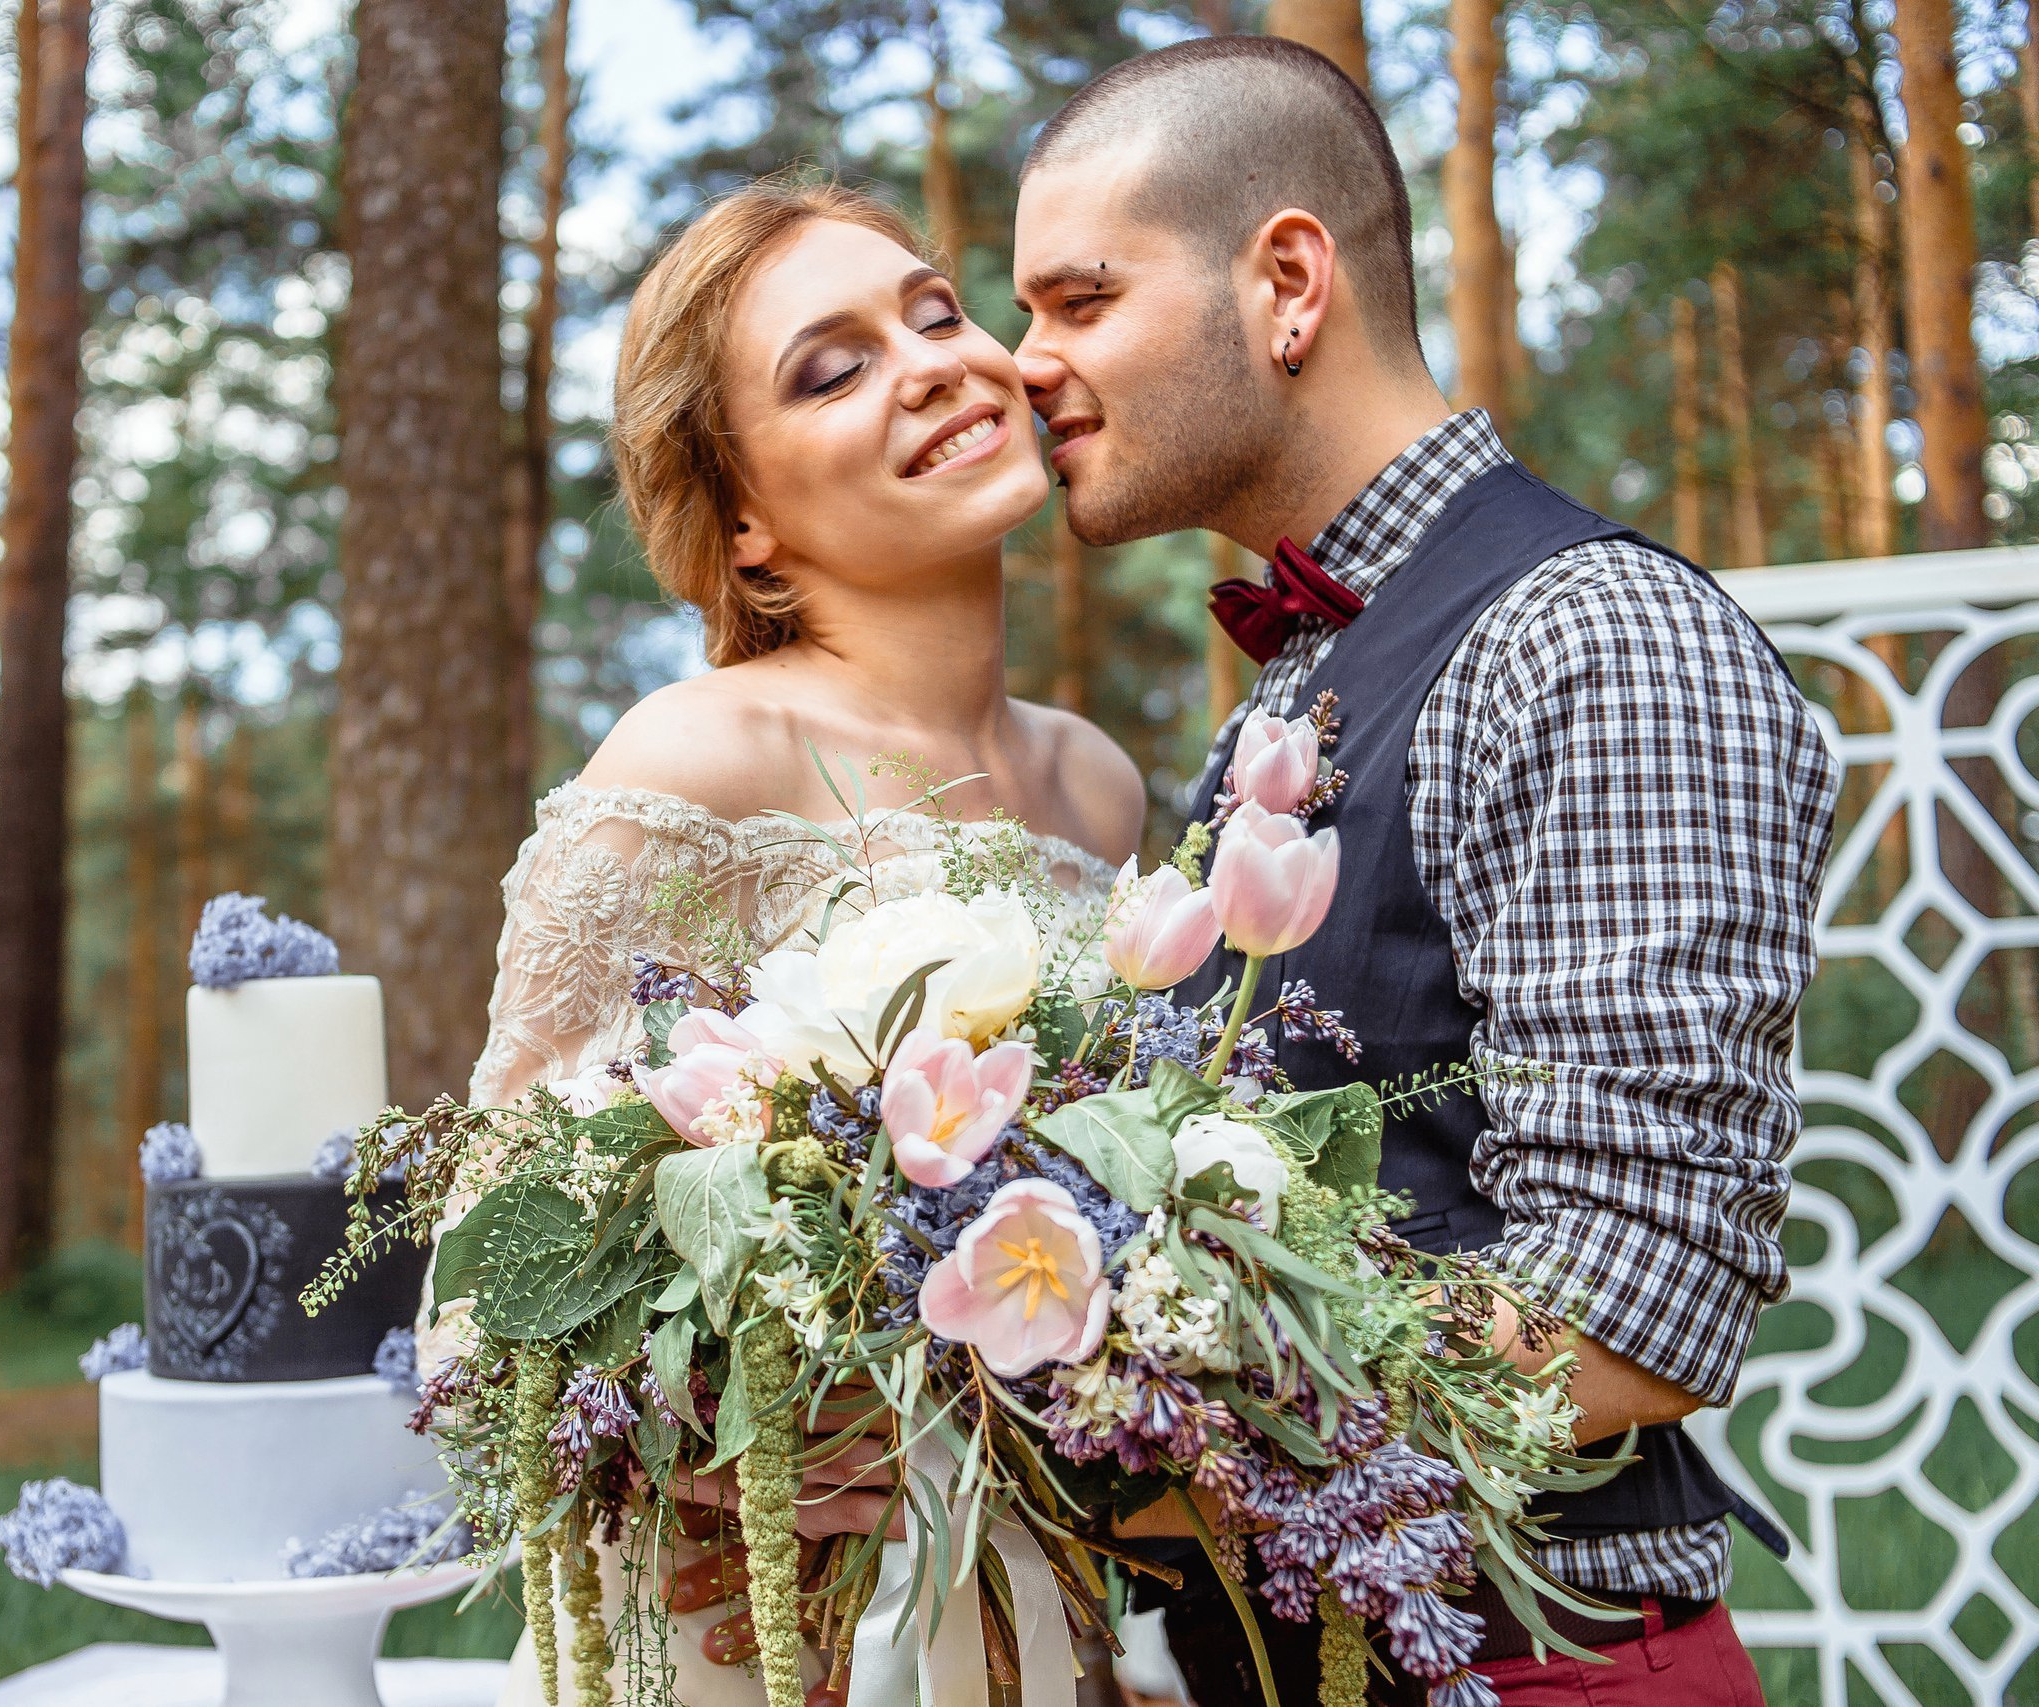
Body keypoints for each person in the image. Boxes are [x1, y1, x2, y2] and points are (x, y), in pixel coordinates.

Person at [1009, 35, 1835, 1706]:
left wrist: (1100, 1446)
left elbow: (1635, 1297)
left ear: (1288, 283)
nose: (1025, 362)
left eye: (1080, 300)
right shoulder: (1310, 667)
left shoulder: (1596, 640)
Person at [467, 175, 1145, 1707]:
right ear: (750, 529)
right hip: (745, 1620)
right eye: (831, 369)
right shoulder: (695, 756)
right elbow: (486, 1244)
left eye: (934, 310)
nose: (935, 362)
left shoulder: (1098, 783)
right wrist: (684, 1423)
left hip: (1026, 1608)